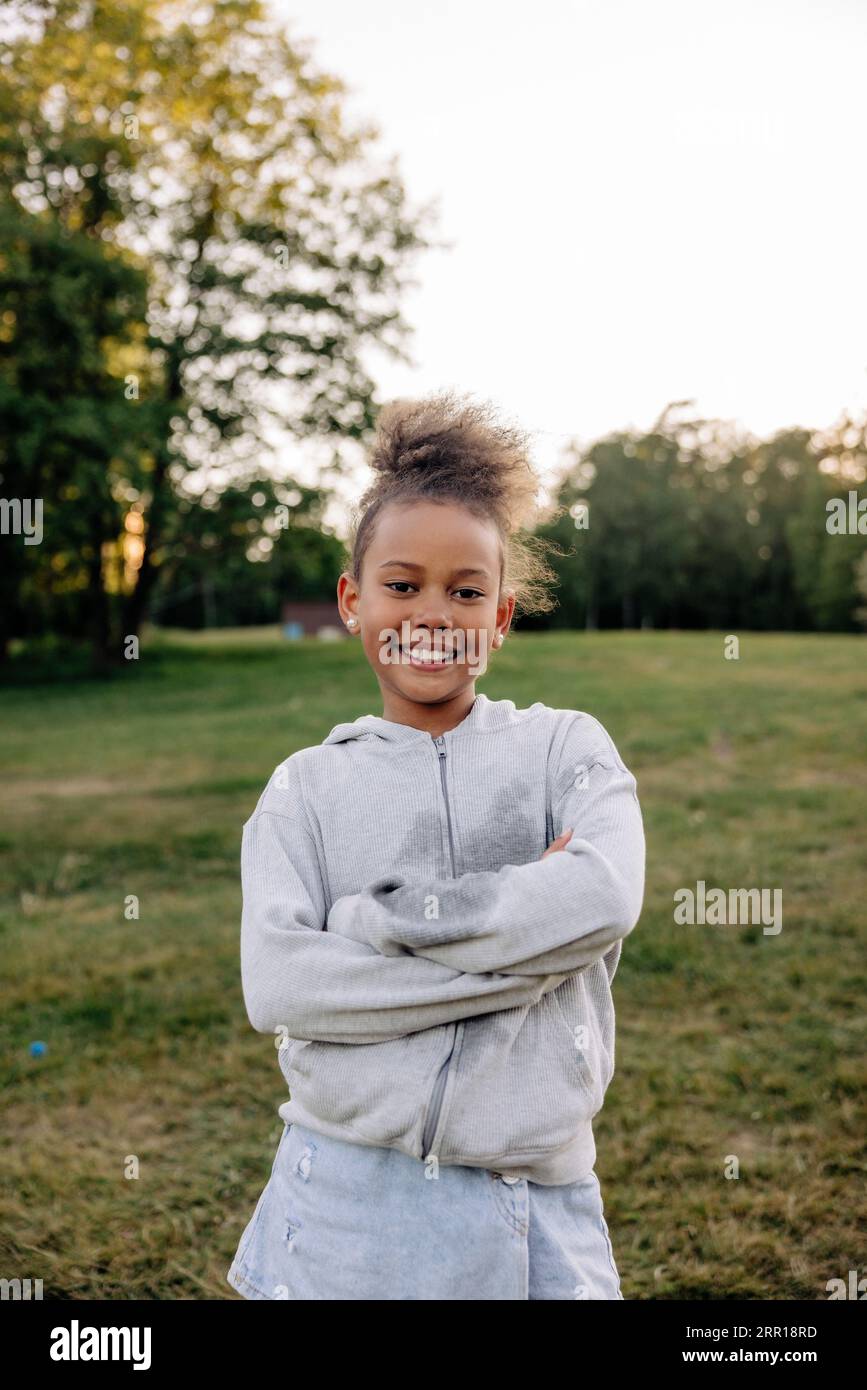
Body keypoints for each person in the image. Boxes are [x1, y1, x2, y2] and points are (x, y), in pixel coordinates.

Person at [226, 390, 645, 1300]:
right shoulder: (305, 787)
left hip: (537, 1199)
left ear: (500, 617)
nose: (433, 613)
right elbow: (283, 985)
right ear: (352, 600)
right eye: (402, 584)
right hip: (346, 1198)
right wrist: (527, 958)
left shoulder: (565, 748)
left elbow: (603, 898)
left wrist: (366, 926)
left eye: (466, 592)